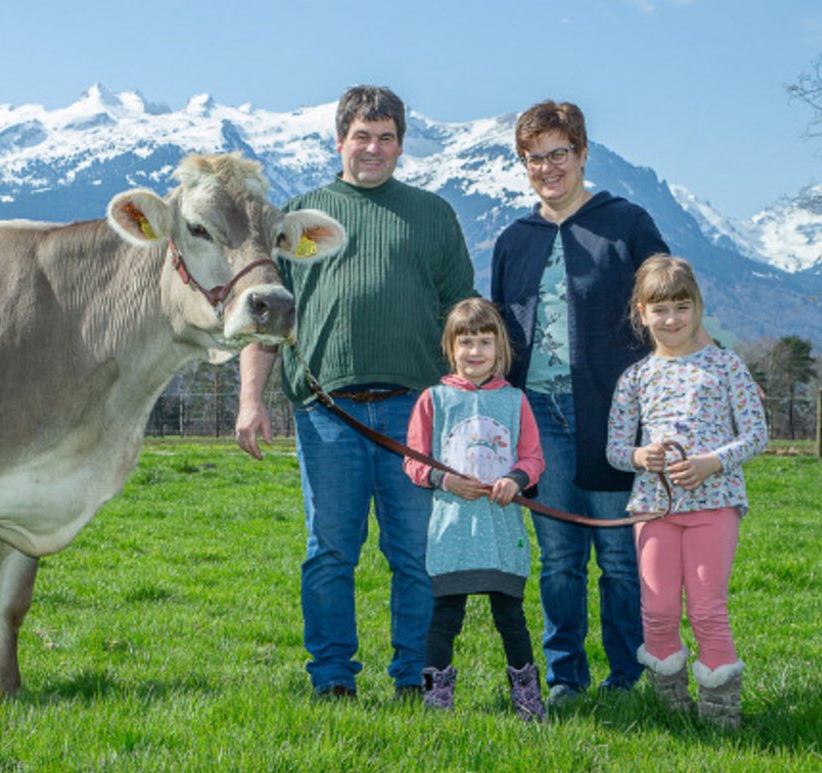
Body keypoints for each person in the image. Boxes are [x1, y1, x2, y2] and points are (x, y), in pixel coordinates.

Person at [236, 85, 477, 700]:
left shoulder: (432, 215)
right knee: (331, 551)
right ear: (339, 140)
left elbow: (462, 319)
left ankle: (416, 680)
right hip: (328, 412)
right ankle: (333, 679)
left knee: (415, 555)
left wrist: (467, 402)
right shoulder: (299, 220)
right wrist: (250, 400)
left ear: (400, 144)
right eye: (361, 136)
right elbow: (268, 319)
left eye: (386, 137)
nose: (373, 148)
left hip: (416, 411)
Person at [490, 100, 669, 705]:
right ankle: (566, 675)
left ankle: (629, 676)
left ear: (583, 152)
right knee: (560, 556)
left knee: (619, 554)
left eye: (558, 153)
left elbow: (669, 304)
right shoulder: (516, 240)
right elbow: (501, 338)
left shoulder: (627, 224)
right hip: (539, 416)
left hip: (615, 416)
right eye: (533, 158)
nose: (547, 167)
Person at [605, 255, 765, 729]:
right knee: (656, 608)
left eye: (681, 306)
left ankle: (720, 707)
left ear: (697, 307)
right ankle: (668, 702)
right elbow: (615, 448)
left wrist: (712, 462)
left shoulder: (725, 366)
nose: (671, 319)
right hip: (653, 508)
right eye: (660, 309)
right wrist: (640, 457)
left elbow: (756, 433)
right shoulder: (635, 378)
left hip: (714, 506)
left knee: (707, 607)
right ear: (642, 312)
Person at [403, 298, 547, 721]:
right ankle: (437, 696)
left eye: (485, 342)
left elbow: (533, 457)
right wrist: (445, 480)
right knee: (446, 615)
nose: (475, 352)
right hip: (452, 526)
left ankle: (527, 697)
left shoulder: (515, 400)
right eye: (466, 342)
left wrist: (516, 479)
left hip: (501, 525)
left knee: (510, 616)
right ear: (450, 347)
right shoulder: (435, 400)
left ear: (499, 347)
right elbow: (413, 459)